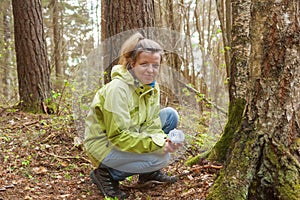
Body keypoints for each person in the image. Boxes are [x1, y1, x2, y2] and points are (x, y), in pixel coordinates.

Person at [84, 32, 183, 199]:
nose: (150, 70)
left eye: (155, 65)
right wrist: (159, 146)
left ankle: (147, 174)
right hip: (104, 146)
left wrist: (162, 141)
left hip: (131, 133)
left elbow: (152, 124)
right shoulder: (118, 89)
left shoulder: (152, 87)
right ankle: (107, 173)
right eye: (144, 64)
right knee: (161, 159)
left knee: (170, 116)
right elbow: (118, 136)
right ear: (132, 64)